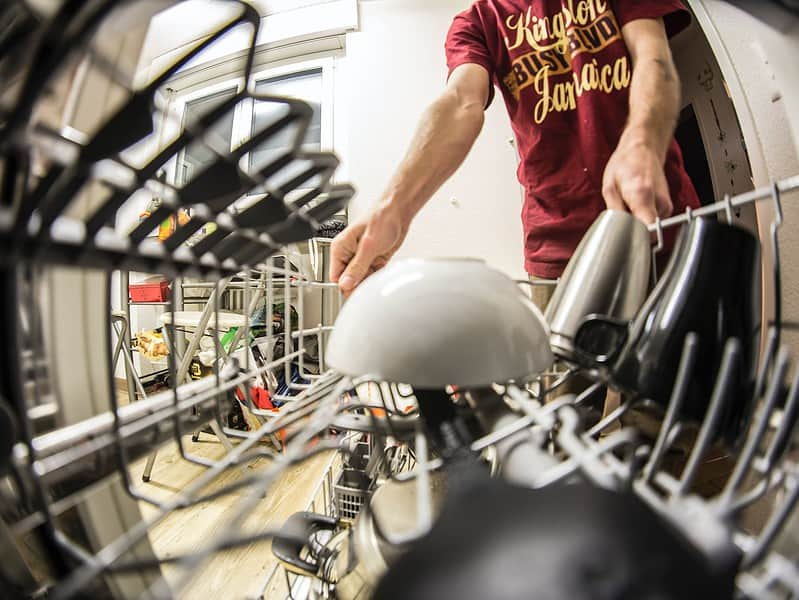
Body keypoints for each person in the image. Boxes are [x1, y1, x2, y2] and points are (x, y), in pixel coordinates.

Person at [330, 0, 700, 307]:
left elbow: (654, 57)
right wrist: (393, 209)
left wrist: (640, 142)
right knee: (565, 393)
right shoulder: (477, 22)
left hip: (656, 215)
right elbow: (461, 103)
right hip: (555, 244)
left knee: (669, 384)